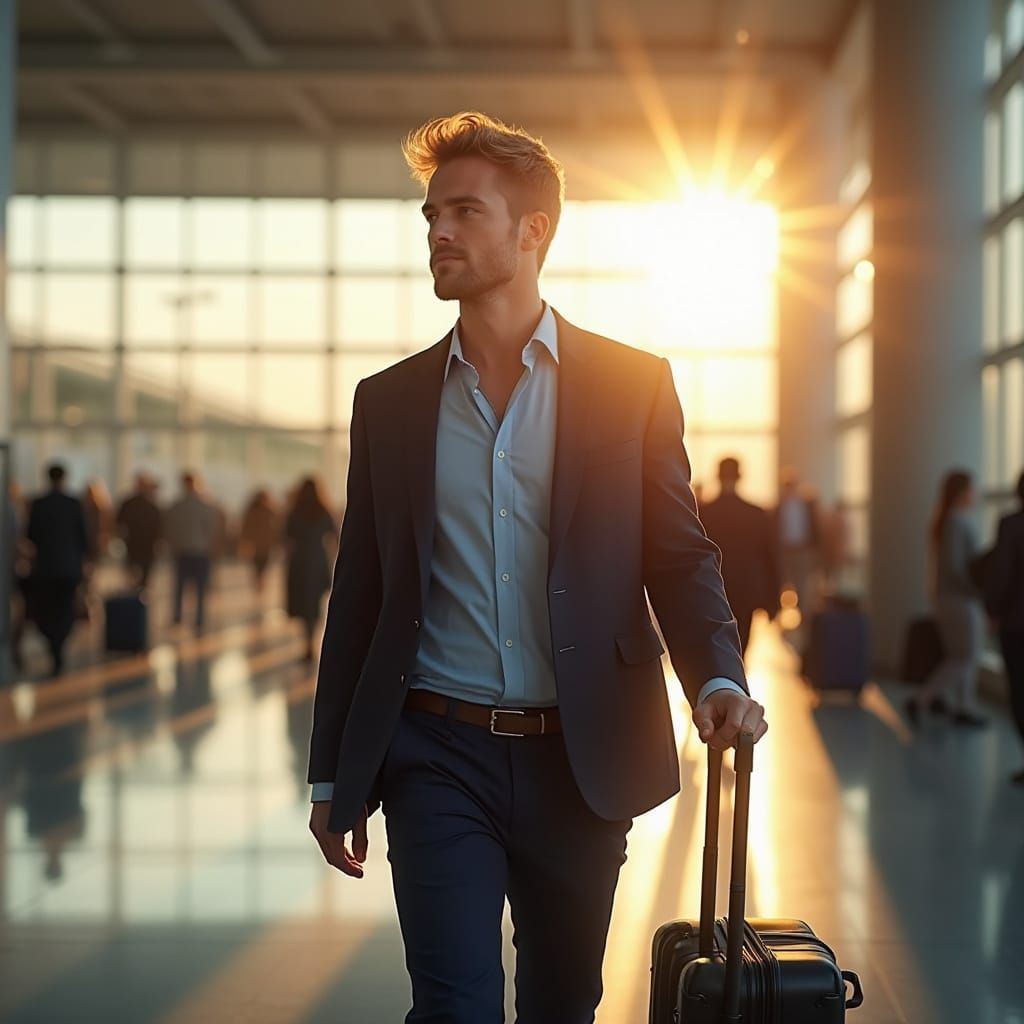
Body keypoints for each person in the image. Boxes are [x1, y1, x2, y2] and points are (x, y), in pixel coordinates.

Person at [307, 111, 767, 1024]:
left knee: (564, 1003)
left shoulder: (631, 385)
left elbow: (677, 557)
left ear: (533, 231)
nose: (437, 232)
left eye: (464, 213)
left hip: (581, 756)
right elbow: (359, 593)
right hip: (435, 751)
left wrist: (715, 673)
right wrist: (332, 773)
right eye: (431, 215)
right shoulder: (389, 403)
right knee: (455, 1005)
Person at [906, 470, 988, 728]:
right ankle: (923, 698)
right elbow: (955, 566)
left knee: (962, 655)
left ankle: (963, 705)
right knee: (964, 656)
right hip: (958, 598)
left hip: (952, 597)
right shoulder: (955, 522)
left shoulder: (948, 521)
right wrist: (976, 589)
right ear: (963, 492)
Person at [699, 457, 781, 655]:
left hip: (712, 588)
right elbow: (770, 558)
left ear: (717, 477)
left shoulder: (703, 514)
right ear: (740, 477)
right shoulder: (756, 514)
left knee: (714, 649)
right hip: (746, 588)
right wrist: (773, 600)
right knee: (741, 645)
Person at [25, 463, 88, 676]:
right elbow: (83, 538)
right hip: (68, 567)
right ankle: (60, 645)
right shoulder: (73, 504)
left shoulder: (38, 504)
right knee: (65, 608)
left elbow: (30, 535)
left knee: (48, 609)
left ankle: (54, 645)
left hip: (45, 568)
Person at [984, 469, 1024, 782]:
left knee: (1020, 691)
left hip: (1017, 622)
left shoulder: (1011, 524)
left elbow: (1001, 573)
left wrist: (993, 610)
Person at [283, 477, 335, 663]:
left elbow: (286, 537)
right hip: (318, 560)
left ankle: (308, 641)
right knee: (315, 602)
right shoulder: (323, 510)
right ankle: (312, 639)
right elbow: (334, 535)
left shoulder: (294, 512)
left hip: (300, 561)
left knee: (304, 603)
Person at [163, 472, 219, 632]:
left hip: (182, 552)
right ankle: (198, 619)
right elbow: (211, 530)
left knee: (180, 587)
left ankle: (178, 616)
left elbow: (168, 530)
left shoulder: (176, 506)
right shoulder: (205, 506)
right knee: (200, 588)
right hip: (200, 552)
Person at [773, 468, 821, 618]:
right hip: (784, 549)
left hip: (802, 548)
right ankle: (782, 615)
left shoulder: (806, 504)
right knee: (783, 581)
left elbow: (815, 527)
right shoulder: (780, 506)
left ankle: (802, 615)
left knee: (802, 583)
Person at [115, 474, 162, 589]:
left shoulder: (130, 503)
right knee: (141, 578)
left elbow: (119, 522)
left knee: (133, 577)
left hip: (136, 545)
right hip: (141, 546)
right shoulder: (151, 505)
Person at [239, 488, 279, 596]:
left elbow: (276, 528)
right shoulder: (252, 511)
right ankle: (259, 583)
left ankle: (261, 583)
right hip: (255, 545)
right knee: (257, 566)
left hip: (266, 545)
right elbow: (246, 528)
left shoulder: (270, 511)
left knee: (264, 566)